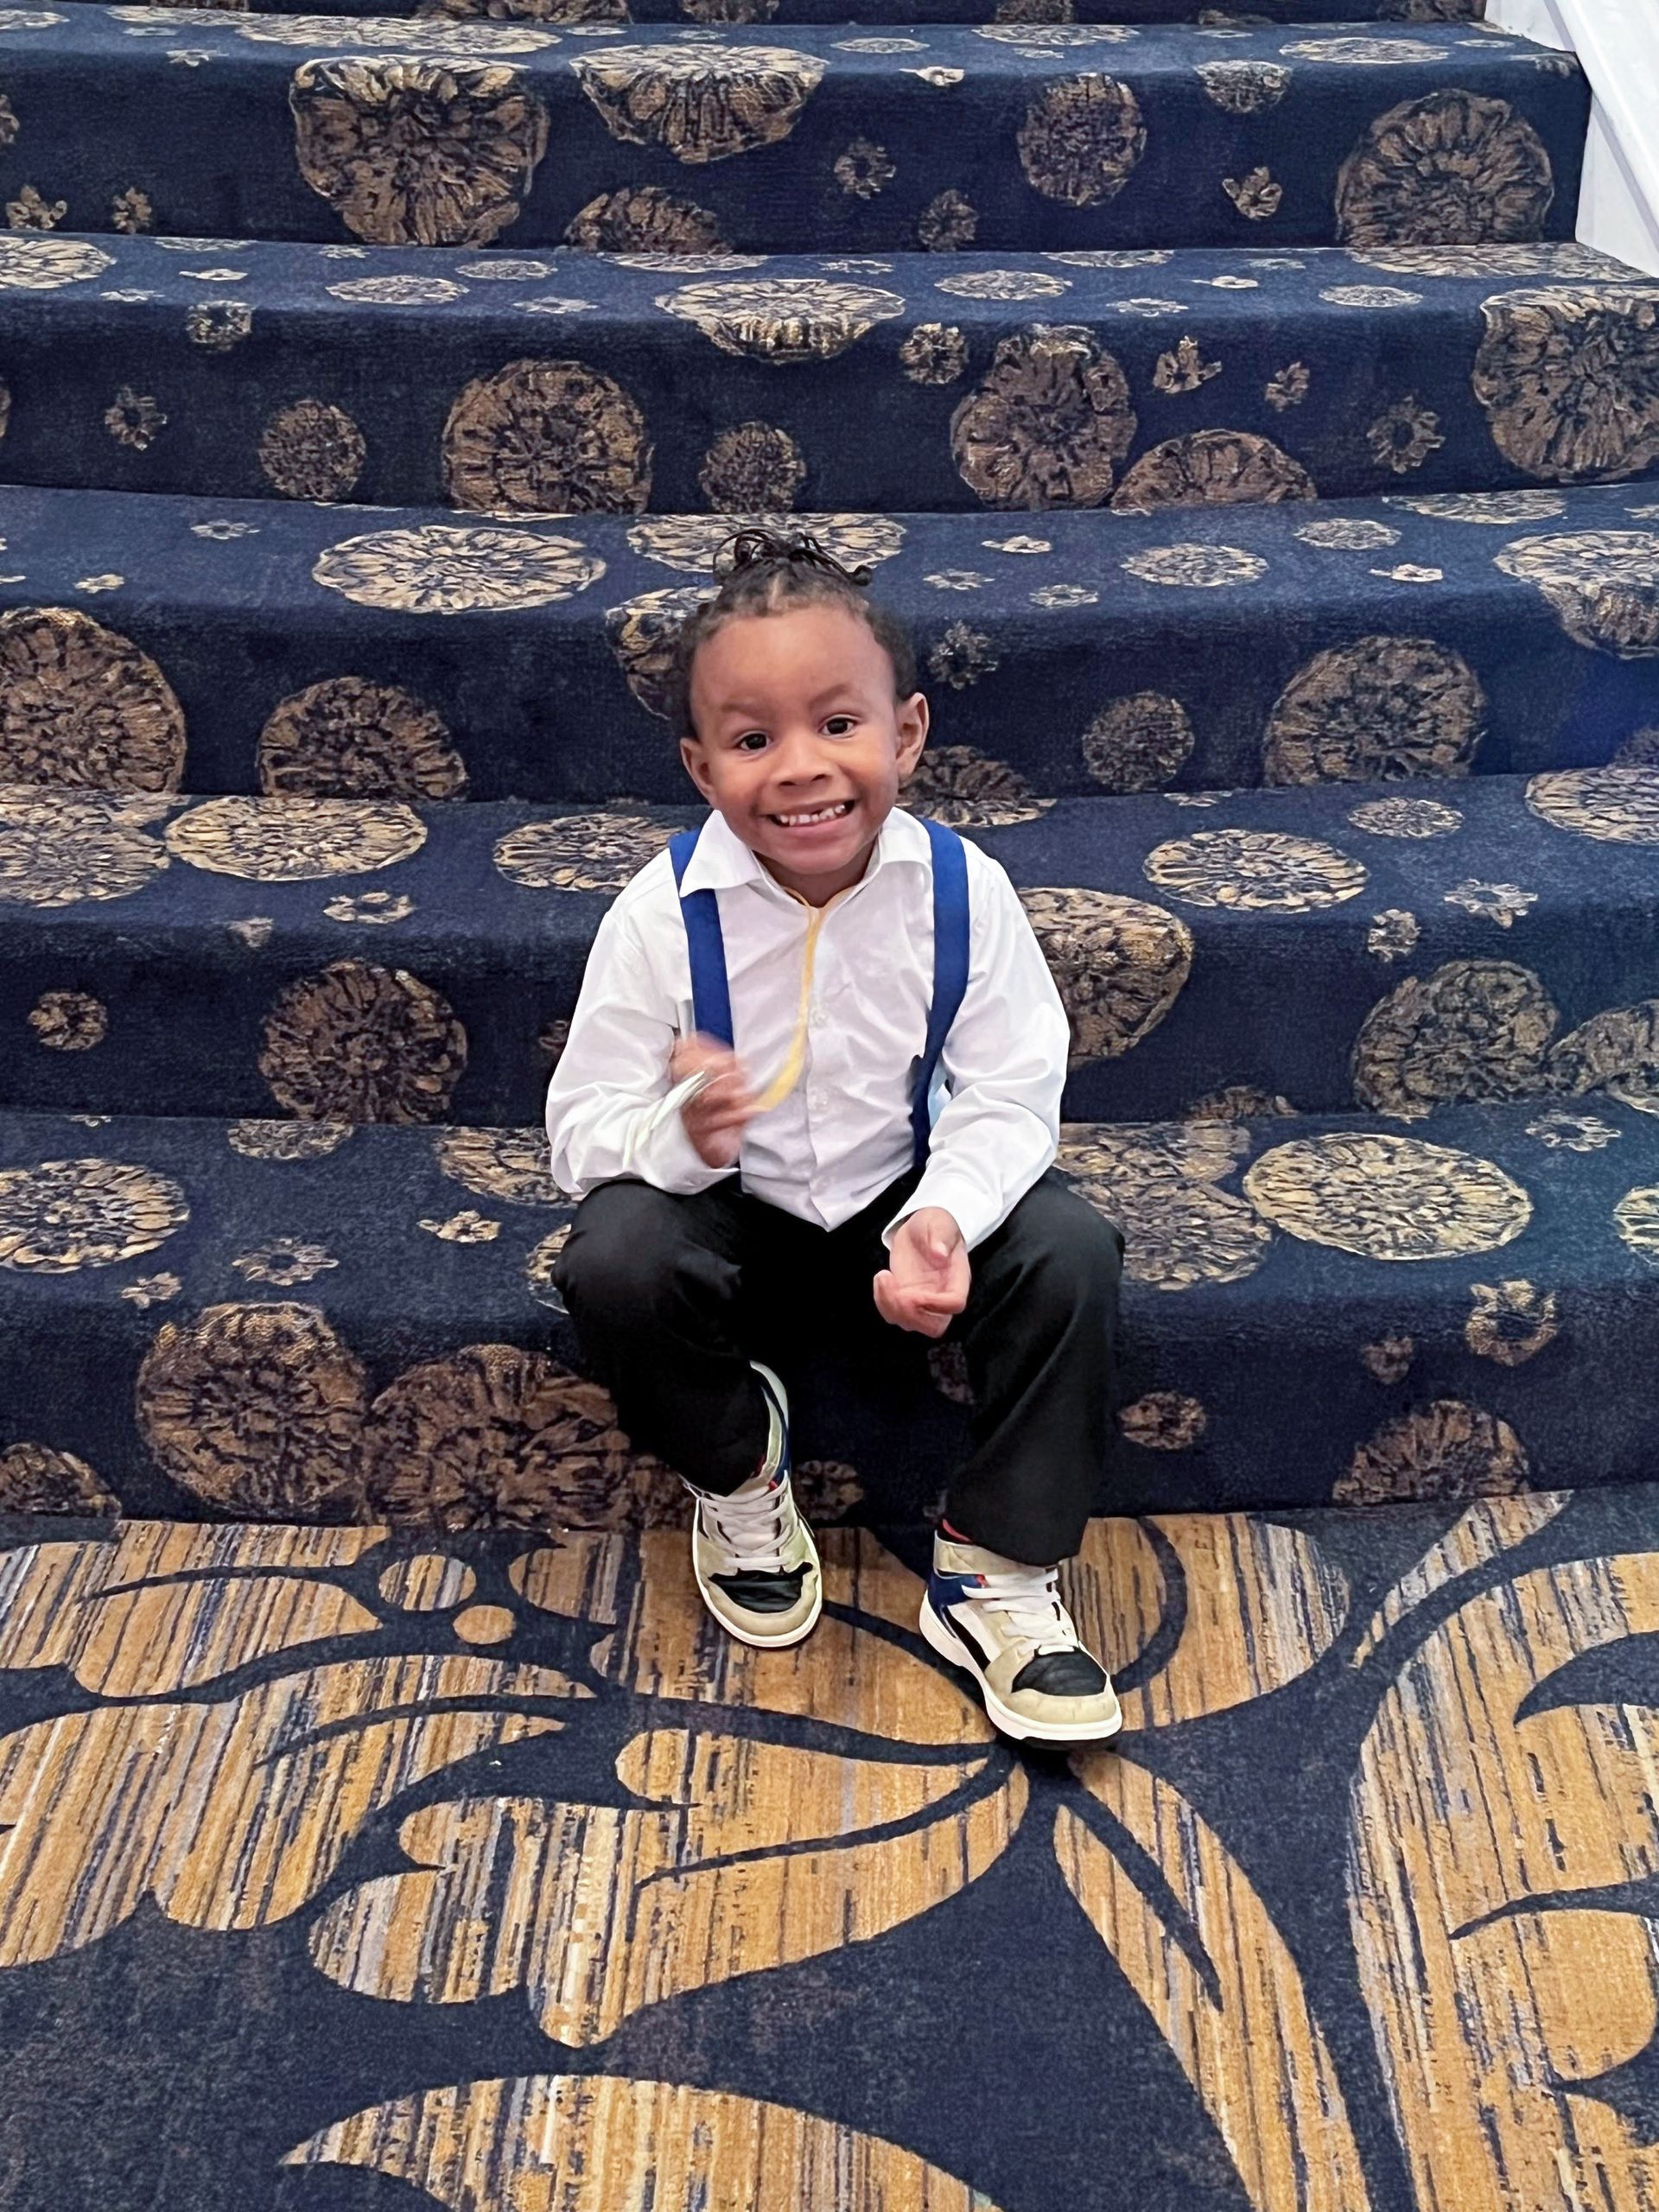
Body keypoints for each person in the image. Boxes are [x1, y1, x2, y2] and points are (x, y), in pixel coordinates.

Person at [547, 530, 1123, 1745]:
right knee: (613, 1259)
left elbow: (1011, 1089)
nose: (802, 769)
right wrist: (683, 1135)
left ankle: (994, 1570)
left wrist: (944, 1216)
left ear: (906, 733)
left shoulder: (963, 892)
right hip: (731, 1219)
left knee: (1072, 1251)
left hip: (896, 1200)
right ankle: (739, 1472)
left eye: (839, 724)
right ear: (702, 767)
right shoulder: (661, 915)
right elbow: (577, 1132)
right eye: (753, 740)